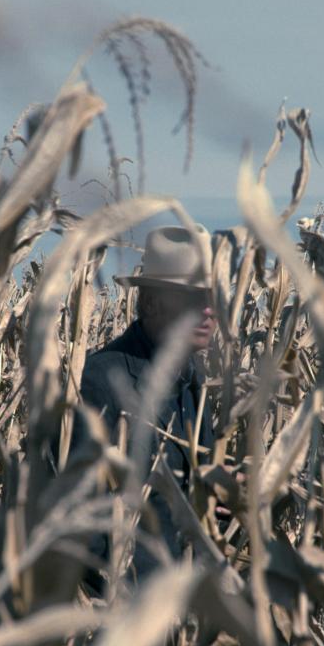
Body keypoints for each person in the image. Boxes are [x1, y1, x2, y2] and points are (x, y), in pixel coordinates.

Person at [75, 224, 216, 579]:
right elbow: (79, 522)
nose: (208, 311)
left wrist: (219, 491)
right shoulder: (100, 381)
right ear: (151, 302)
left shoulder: (193, 381)